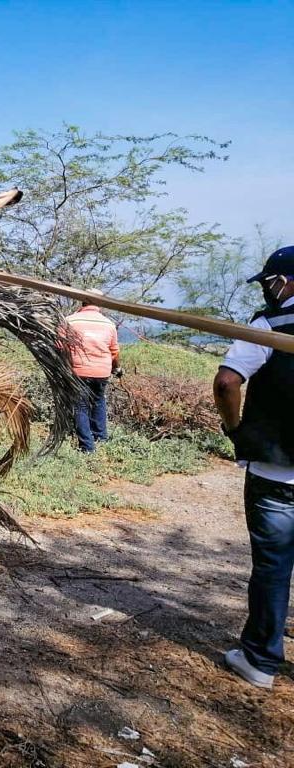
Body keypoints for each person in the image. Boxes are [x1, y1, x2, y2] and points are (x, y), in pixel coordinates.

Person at [214, 244, 294, 690]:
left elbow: (227, 381)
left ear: (284, 282)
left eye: (270, 282)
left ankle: (261, 662)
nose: (268, 289)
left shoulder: (268, 326)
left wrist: (236, 431)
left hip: (276, 472)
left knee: (273, 566)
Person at [63, 292, 121, 452]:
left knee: (80, 406)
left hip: (78, 370)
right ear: (99, 304)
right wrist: (117, 368)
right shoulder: (108, 323)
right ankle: (101, 439)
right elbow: (114, 352)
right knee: (98, 401)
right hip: (102, 371)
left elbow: (61, 347)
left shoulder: (70, 320)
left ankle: (87, 447)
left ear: (82, 302)